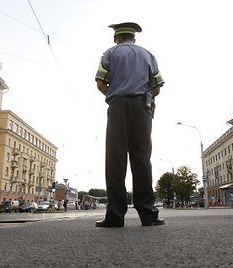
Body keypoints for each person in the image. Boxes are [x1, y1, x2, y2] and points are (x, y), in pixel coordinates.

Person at [95, 22, 165, 227]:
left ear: (116, 38)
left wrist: (116, 97)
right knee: (142, 159)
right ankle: (149, 215)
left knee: (115, 160)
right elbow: (158, 88)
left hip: (118, 107)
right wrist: (143, 97)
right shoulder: (148, 55)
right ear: (133, 38)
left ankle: (115, 216)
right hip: (143, 108)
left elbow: (100, 83)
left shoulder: (109, 54)